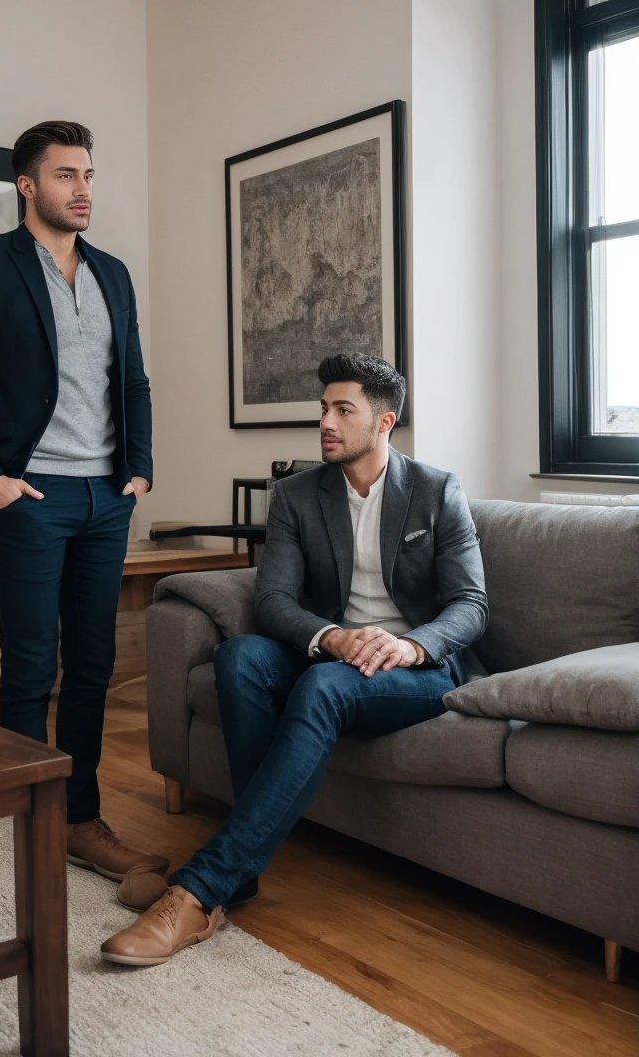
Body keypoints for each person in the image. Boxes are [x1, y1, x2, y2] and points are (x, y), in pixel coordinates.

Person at [100, 352, 488, 965]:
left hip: (413, 670)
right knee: (239, 659)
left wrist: (410, 644)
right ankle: (241, 874)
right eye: (323, 409)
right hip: (331, 653)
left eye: (343, 410)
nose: (326, 423)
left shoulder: (437, 491)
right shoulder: (296, 496)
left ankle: (201, 888)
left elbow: (471, 605)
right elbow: (274, 599)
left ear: (384, 423)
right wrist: (333, 637)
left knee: (323, 690)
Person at [0, 121, 168, 906]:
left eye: (88, 174)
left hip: (104, 498)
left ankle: (80, 818)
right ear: (28, 185)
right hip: (28, 495)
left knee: (93, 665)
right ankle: (23, 818)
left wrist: (140, 469)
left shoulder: (114, 274)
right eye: (66, 176)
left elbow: (134, 382)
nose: (84, 189)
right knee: (30, 667)